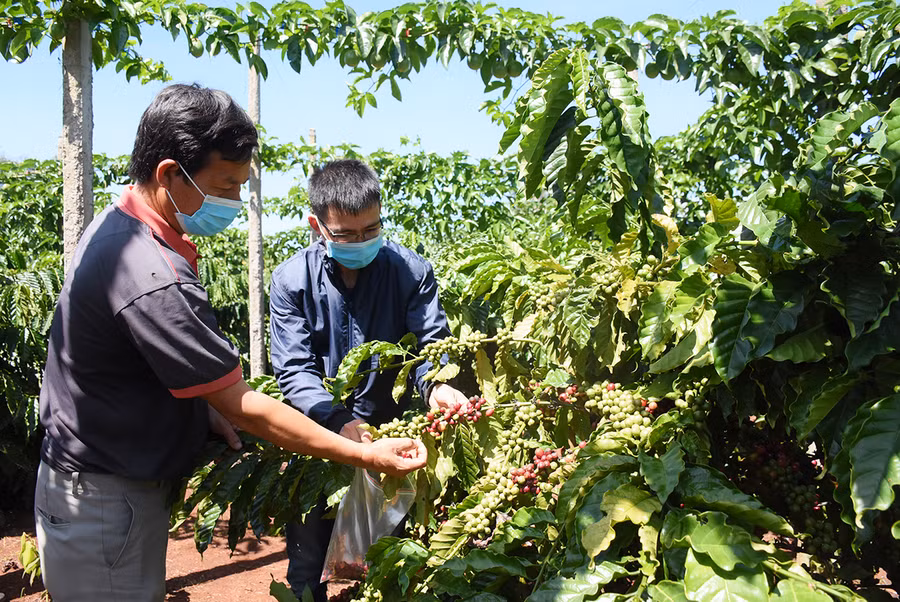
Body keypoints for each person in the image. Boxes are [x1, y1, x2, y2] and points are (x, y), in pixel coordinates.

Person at [34, 84, 426, 602]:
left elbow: (134, 363)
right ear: (170, 174)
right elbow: (247, 405)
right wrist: (362, 453)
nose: (236, 202)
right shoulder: (153, 273)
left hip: (108, 485)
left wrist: (201, 406)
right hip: (105, 496)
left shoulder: (118, 225)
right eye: (226, 185)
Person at [269, 158, 468, 601]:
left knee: (387, 557)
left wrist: (437, 385)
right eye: (346, 235)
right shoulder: (291, 281)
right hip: (318, 437)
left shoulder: (410, 271)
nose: (361, 242)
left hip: (389, 438)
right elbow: (294, 370)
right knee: (308, 559)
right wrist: (339, 421)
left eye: (371, 230)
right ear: (318, 226)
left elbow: (429, 345)